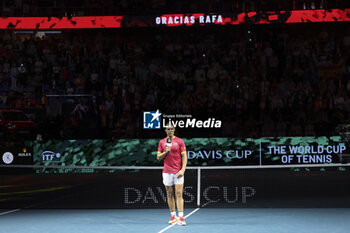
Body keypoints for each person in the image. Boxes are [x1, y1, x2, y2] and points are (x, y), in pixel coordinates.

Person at [157, 123, 187, 226]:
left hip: (178, 172)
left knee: (179, 194)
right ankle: (173, 216)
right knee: (169, 194)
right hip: (166, 172)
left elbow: (184, 157)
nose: (170, 130)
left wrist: (182, 170)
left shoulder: (179, 141)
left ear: (174, 130)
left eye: (171, 128)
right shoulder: (162, 142)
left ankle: (181, 217)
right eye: (168, 129)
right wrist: (166, 152)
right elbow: (158, 157)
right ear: (165, 130)